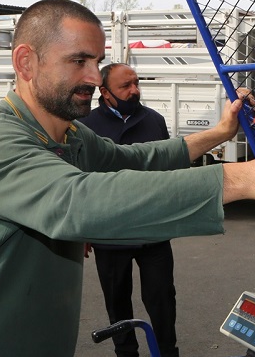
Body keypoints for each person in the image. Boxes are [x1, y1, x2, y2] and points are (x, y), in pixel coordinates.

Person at [0, 0, 255, 357]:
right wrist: (241, 179)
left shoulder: (71, 135)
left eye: (97, 62)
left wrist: (217, 134)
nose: (94, 77)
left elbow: (134, 160)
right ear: (26, 62)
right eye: (79, 61)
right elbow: (76, 202)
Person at [77, 63, 180, 357]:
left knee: (162, 297)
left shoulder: (154, 121)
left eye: (136, 83)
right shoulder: (85, 126)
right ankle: (126, 352)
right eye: (125, 86)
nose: (134, 90)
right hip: (109, 230)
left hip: (152, 227)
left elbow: (166, 169)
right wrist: (82, 228)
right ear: (105, 92)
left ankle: (167, 351)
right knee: (117, 297)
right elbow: (77, 178)